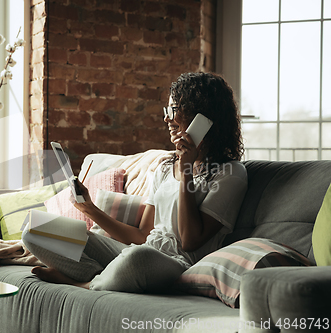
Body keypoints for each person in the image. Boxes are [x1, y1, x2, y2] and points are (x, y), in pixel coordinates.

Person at [21, 72, 248, 294]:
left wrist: (187, 170)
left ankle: (84, 284)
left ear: (204, 117)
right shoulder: (166, 167)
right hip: (141, 250)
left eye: (175, 110)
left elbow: (189, 241)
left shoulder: (230, 174)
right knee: (34, 229)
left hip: (176, 265)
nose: (167, 118)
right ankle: (103, 275)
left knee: (136, 259)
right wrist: (90, 209)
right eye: (166, 110)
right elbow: (142, 235)